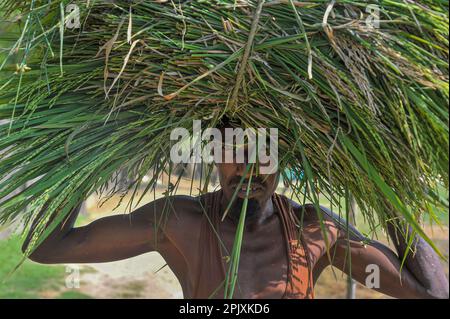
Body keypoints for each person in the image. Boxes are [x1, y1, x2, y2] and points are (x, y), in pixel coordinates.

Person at [22, 122, 449, 299]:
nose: (248, 166)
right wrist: (84, 159)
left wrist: (382, 184)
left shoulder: (313, 230)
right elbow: (46, 247)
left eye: (264, 152)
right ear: (214, 156)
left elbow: (432, 293)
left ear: (282, 162)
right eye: (234, 150)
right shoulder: (179, 221)